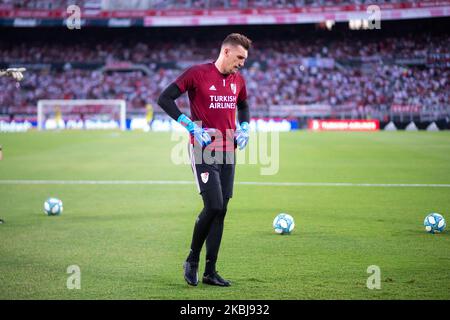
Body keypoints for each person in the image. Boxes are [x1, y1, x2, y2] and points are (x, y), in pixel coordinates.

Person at [157, 33, 251, 287]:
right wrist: (189, 125)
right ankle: (192, 259)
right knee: (214, 206)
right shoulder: (197, 73)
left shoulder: (238, 79)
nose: (242, 62)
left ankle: (210, 271)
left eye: (245, 58)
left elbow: (243, 107)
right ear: (227, 52)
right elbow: (164, 98)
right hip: (204, 148)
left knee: (222, 211)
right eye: (240, 57)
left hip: (228, 150)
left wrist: (244, 127)